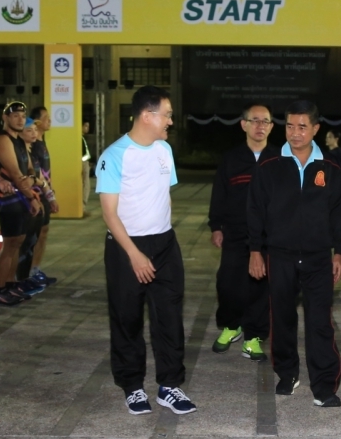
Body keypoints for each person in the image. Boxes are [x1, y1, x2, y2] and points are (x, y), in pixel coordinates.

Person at [97, 86, 196, 416]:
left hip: (165, 244)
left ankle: (170, 386)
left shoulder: (164, 150)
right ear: (146, 115)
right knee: (127, 318)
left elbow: (162, 196)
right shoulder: (114, 156)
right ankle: (132, 386)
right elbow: (109, 214)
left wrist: (161, 238)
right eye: (166, 115)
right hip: (126, 247)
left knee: (169, 317)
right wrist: (134, 254)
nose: (170, 121)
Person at [247, 100, 341, 407]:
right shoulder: (269, 164)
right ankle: (287, 373)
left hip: (319, 257)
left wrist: (339, 252)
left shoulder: (330, 167)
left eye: (302, 127)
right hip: (280, 255)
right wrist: (255, 250)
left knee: (320, 321)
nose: (295, 133)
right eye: (290, 126)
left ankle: (324, 386)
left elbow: (339, 213)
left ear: (315, 129)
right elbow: (255, 210)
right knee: (282, 318)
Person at [208, 103, 276, 358]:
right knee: (228, 283)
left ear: (271, 126)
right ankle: (231, 325)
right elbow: (219, 194)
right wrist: (216, 226)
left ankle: (254, 336)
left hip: (269, 235)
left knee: (261, 286)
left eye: (265, 121)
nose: (260, 126)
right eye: (255, 120)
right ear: (243, 125)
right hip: (236, 233)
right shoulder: (231, 159)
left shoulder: (279, 159)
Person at [0, 102, 44, 306]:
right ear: (5, 118)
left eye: (23, 115)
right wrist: (31, 196)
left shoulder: (19, 141)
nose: (20, 119)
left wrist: (31, 181)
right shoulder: (3, 140)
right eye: (15, 116)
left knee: (17, 243)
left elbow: (29, 170)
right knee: (10, 244)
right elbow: (15, 173)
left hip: (21, 197)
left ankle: (10, 284)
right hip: (8, 199)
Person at [16, 116, 58, 289]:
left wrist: (49, 196)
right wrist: (35, 193)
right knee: (23, 243)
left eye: (35, 129)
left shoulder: (31, 152)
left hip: (37, 198)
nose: (34, 133)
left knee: (34, 238)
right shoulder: (17, 153)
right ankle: (18, 281)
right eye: (29, 130)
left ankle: (30, 275)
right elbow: (26, 180)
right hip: (24, 202)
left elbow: (39, 178)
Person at [324, 128, 341, 194]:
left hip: (336, 186)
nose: (327, 139)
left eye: (330, 137)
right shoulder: (329, 153)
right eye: (326, 137)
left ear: (336, 139)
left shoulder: (339, 152)